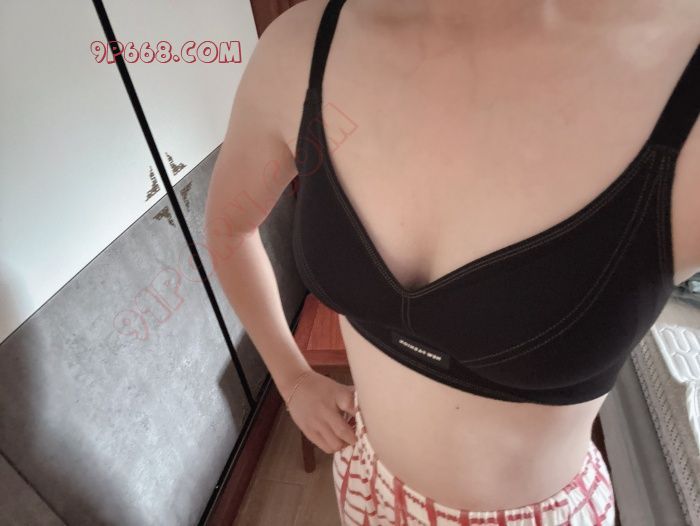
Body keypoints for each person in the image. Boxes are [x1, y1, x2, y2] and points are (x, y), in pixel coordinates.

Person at [205, 0, 700, 524]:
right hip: (365, 490)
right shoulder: (304, 46)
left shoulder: (682, 79)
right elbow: (230, 227)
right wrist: (293, 380)